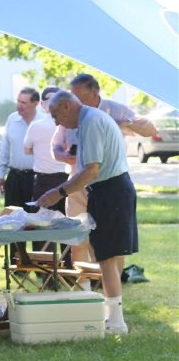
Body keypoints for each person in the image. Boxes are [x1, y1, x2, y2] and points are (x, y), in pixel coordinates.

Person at [37, 90, 137, 335]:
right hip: (109, 190)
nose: (56, 122)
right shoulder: (89, 120)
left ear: (66, 106)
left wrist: (59, 192)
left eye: (55, 115)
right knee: (106, 255)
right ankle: (112, 316)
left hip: (111, 190)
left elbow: (92, 170)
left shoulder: (91, 121)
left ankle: (116, 321)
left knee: (106, 256)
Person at [52, 74, 157, 280]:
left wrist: (124, 123)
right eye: (73, 98)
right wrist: (64, 155)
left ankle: (109, 287)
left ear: (95, 92)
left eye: (80, 98)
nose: (75, 103)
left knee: (111, 244)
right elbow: (55, 146)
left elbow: (151, 129)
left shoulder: (113, 110)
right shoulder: (69, 114)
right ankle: (84, 287)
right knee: (78, 237)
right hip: (77, 182)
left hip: (107, 182)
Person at [23, 86, 71, 271]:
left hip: (45, 180)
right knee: (67, 226)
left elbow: (27, 149)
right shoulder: (69, 124)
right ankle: (68, 269)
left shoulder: (36, 126)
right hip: (66, 180)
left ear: (42, 105)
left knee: (42, 226)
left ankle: (45, 270)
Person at [0, 87, 41, 263]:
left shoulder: (44, 120)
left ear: (35, 103)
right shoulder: (12, 119)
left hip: (37, 178)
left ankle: (40, 265)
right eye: (18, 101)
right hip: (15, 176)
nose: (19, 105)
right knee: (12, 222)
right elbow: (4, 148)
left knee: (37, 222)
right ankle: (16, 262)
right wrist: (0, 174)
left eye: (24, 102)